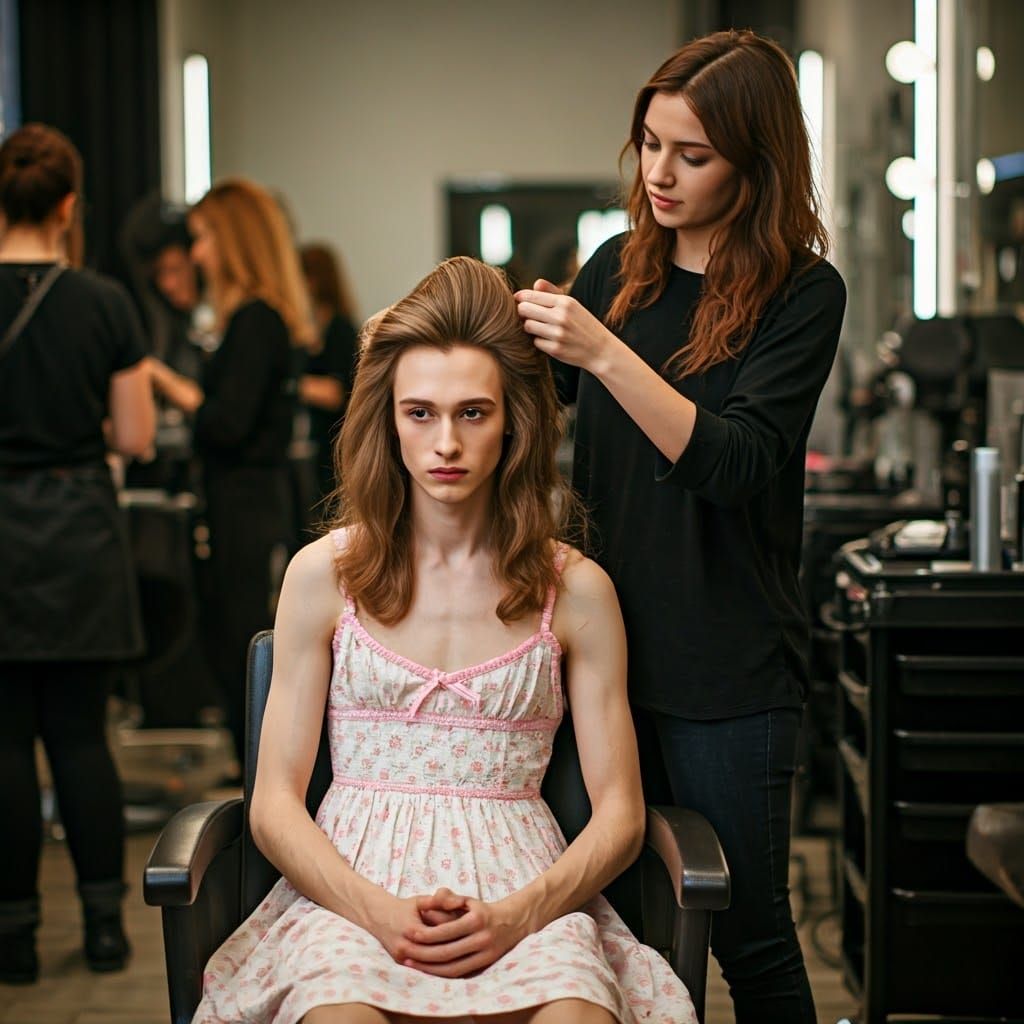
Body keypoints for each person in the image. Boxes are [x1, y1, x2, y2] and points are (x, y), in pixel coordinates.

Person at [191, 256, 696, 1024]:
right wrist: (376, 911)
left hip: (526, 893)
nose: (446, 443)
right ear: (388, 420)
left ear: (514, 421)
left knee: (577, 1016)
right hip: (349, 895)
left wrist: (523, 913)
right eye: (420, 413)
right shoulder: (323, 575)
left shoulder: (579, 589)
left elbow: (622, 811)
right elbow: (273, 806)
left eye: (473, 413)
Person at [515, 30, 847, 1024]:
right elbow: (534, 399)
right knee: (611, 927)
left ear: (755, 159)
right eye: (649, 144)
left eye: (691, 154)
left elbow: (734, 462)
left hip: (727, 669)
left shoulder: (803, 292)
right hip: (602, 655)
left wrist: (607, 354)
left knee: (746, 930)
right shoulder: (621, 264)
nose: (659, 172)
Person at [0, 123, 156, 982]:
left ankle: (14, 939)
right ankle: (104, 930)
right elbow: (133, 434)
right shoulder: (103, 303)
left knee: (3, 745)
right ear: (68, 206)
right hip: (79, 533)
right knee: (81, 739)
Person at [146, 178, 315, 767]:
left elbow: (227, 422)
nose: (194, 255)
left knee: (241, 645)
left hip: (246, 506)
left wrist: (169, 386)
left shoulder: (255, 322)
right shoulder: (254, 321)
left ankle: (262, 789)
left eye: (201, 239)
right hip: (243, 502)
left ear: (231, 239)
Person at [298, 242, 360, 513]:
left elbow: (336, 393)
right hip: (318, 439)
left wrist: (290, 386)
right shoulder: (313, 328)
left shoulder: (341, 330)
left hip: (337, 439)